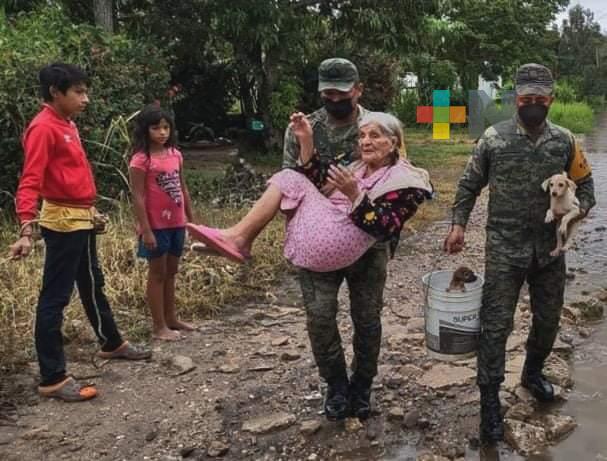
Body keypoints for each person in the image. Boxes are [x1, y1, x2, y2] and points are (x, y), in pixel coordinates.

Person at [190, 108, 433, 422]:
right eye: (362, 135)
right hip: (321, 246)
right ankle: (336, 386)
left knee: (367, 321)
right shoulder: (353, 163)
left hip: (368, 254)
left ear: (394, 141)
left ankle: (361, 386)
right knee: (320, 320)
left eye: (375, 135)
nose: (365, 141)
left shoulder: (408, 182)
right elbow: (318, 173)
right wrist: (305, 140)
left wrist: (355, 194)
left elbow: (385, 226)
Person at [444, 63, 596, 444]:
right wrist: (458, 224)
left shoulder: (565, 141)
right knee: (496, 326)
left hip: (549, 250)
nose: (532, 105)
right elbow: (468, 185)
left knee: (547, 320)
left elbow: (587, 184)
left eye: (539, 99)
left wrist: (578, 211)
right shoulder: (492, 139)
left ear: (550, 100)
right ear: (516, 99)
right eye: (525, 99)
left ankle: (532, 372)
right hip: (504, 248)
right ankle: (490, 404)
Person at [9, 63, 151, 402]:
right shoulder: (43, 128)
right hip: (63, 223)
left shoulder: (66, 123)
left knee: (91, 283)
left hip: (80, 217)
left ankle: (111, 342)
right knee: (55, 297)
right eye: (78, 92)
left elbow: (70, 177)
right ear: (56, 93)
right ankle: (52, 377)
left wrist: (89, 207)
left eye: (85, 91)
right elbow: (30, 179)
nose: (85, 99)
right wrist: (27, 228)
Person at [129, 106, 194, 341]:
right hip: (155, 226)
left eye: (166, 127)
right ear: (145, 130)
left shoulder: (175, 154)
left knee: (171, 271)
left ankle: (171, 317)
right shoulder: (141, 160)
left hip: (177, 223)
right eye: (156, 128)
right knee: (157, 273)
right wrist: (145, 229)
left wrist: (192, 221)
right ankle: (158, 326)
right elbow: (138, 196)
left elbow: (183, 187)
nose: (162, 132)